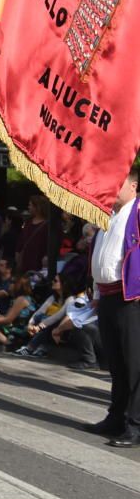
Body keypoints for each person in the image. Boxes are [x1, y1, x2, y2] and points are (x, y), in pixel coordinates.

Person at [86, 167, 140, 446]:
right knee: (116, 363)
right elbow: (101, 257)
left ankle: (135, 423)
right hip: (107, 295)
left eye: (118, 181)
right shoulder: (108, 215)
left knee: (134, 364)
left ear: (134, 185)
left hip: (131, 297)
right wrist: (96, 291)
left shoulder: (139, 211)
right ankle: (116, 416)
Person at [15, 195, 49, 273]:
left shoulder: (47, 225)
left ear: (37, 207)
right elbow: (22, 238)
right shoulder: (28, 221)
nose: (28, 207)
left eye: (30, 205)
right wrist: (18, 251)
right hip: (25, 258)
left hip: (38, 259)